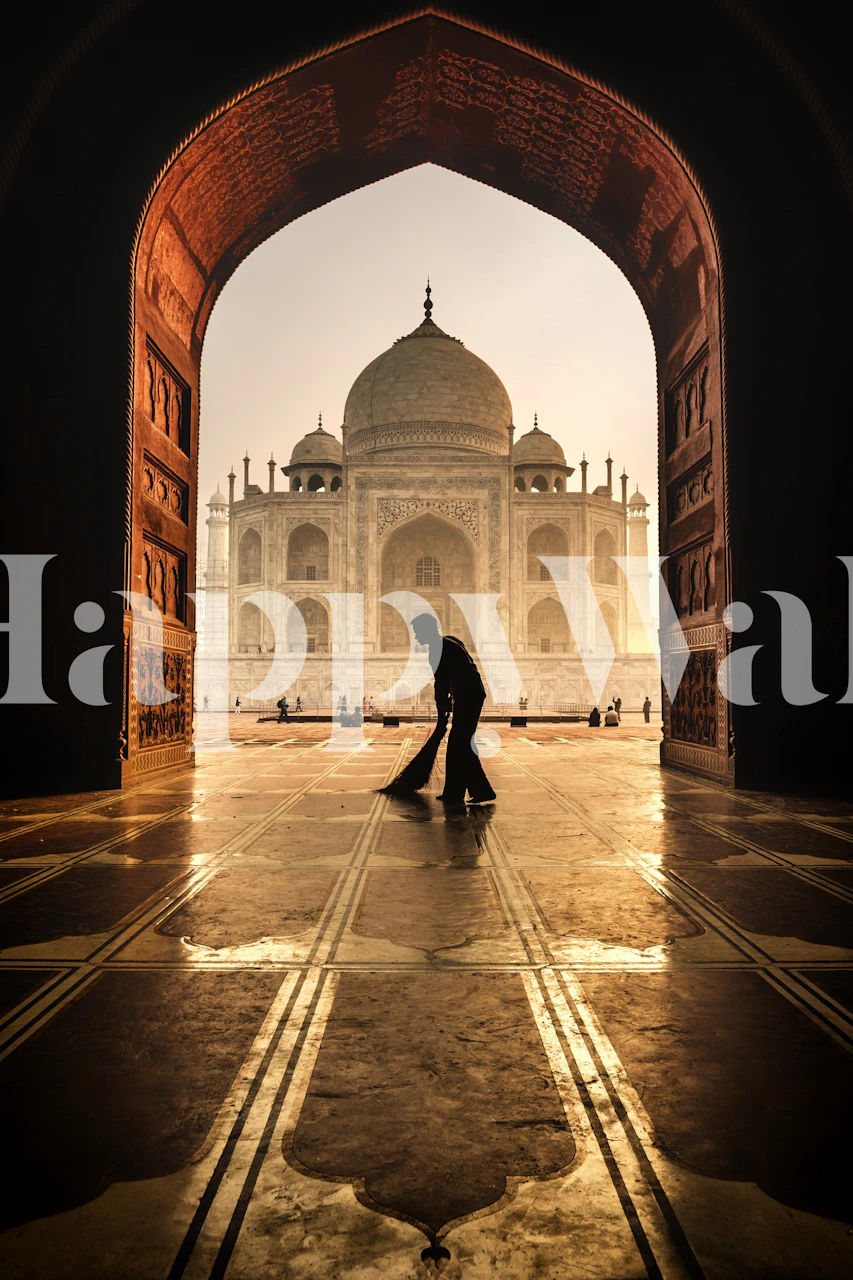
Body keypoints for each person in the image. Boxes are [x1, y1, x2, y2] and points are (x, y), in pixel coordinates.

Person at [411, 613, 495, 805]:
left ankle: (476, 790)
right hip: (472, 695)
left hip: (468, 697)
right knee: (461, 744)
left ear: (427, 630)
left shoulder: (437, 650)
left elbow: (440, 686)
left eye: (417, 632)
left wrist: (442, 719)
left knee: (460, 743)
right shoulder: (450, 641)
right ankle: (459, 791)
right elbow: (453, 676)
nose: (416, 637)